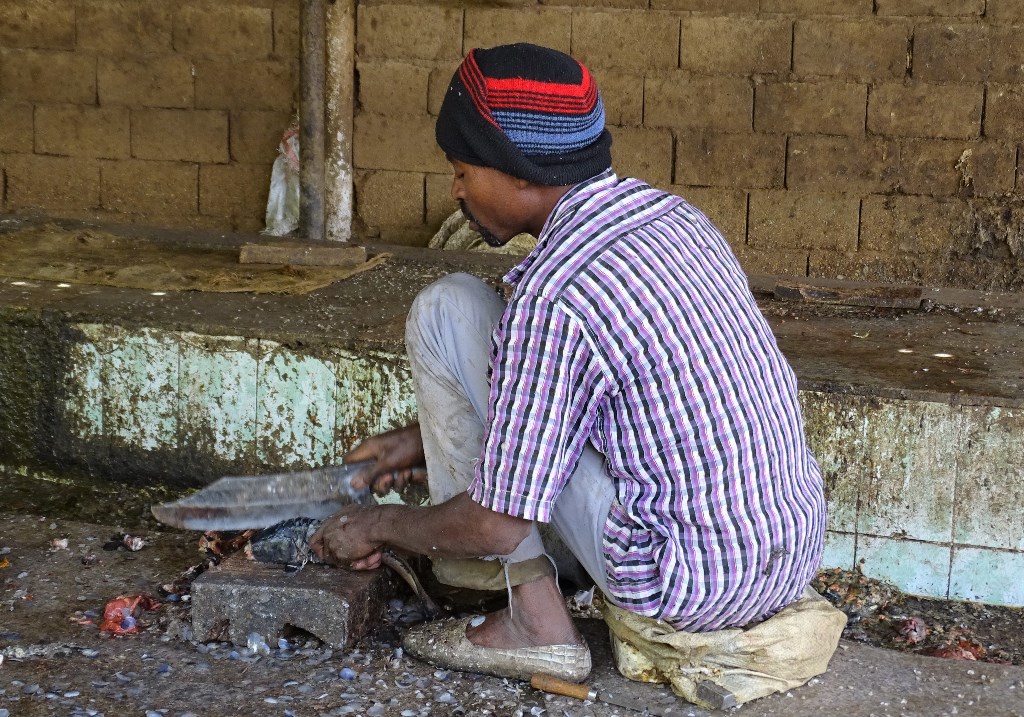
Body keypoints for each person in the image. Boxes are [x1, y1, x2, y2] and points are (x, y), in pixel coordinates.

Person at [311, 43, 827, 685]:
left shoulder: (557, 296)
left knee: (445, 316)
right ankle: (556, 574)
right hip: (784, 554)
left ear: (520, 171)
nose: (456, 189)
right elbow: (597, 394)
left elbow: (497, 525)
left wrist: (379, 526)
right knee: (456, 310)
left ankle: (537, 627)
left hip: (683, 584)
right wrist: (413, 442)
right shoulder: (674, 219)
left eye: (463, 168)